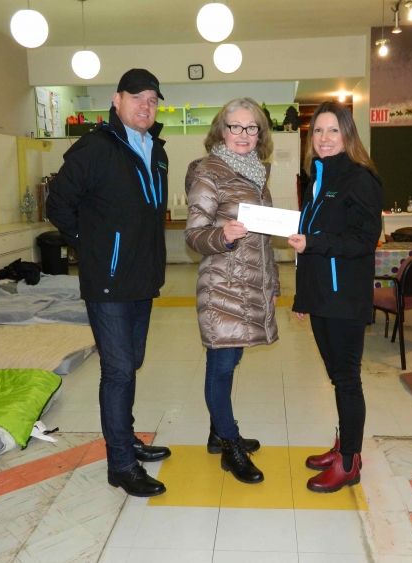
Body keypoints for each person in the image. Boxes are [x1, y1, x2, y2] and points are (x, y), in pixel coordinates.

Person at [46, 69, 171, 498]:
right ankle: (120, 463)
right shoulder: (96, 148)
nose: (145, 106)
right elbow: (58, 204)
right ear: (117, 100)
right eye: (137, 97)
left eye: (153, 100)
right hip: (109, 280)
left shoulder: (157, 149)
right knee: (117, 370)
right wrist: (91, 247)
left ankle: (126, 437)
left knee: (130, 363)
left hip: (143, 278)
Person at [287, 101, 383, 493]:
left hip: (345, 298)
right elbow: (306, 244)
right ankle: (344, 445)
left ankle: (349, 462)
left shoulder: (360, 179)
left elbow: (363, 240)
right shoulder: (316, 179)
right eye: (319, 132)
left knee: (346, 379)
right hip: (322, 296)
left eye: (332, 131)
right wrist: (301, 298)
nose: (324, 139)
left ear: (347, 135)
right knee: (336, 376)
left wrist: (314, 241)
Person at [185, 97, 280, 484]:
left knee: (231, 361)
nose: (244, 134)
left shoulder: (257, 173)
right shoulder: (210, 173)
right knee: (221, 365)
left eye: (251, 127)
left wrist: (273, 282)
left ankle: (216, 431)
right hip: (223, 285)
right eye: (235, 127)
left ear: (260, 133)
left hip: (252, 283)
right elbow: (193, 235)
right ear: (222, 131)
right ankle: (229, 444)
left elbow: (264, 241)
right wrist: (220, 235)